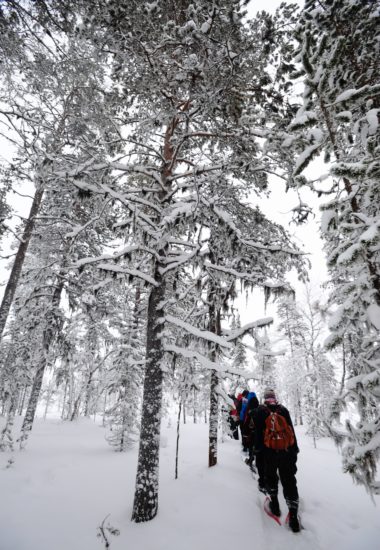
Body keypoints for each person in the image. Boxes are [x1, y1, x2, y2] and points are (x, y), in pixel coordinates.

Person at [252, 388, 300, 533]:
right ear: (275, 398)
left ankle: (275, 506)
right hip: (286, 452)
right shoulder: (283, 410)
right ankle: (293, 517)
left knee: (271, 478)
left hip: (269, 454)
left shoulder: (260, 412)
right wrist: (294, 450)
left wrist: (258, 452)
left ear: (265, 398)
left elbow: (258, 438)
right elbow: (291, 431)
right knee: (289, 481)